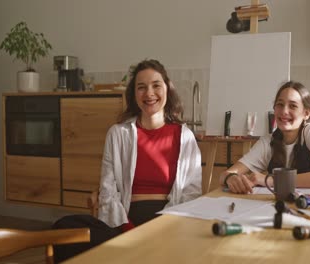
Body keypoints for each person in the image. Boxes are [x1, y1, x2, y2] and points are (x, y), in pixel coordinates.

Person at [53, 59, 202, 262]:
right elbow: (108, 189)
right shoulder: (118, 133)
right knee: (64, 228)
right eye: (141, 87)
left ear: (167, 88)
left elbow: (191, 193)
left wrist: (161, 227)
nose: (149, 93)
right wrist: (128, 229)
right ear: (134, 95)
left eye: (156, 85)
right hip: (123, 221)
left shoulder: (185, 136)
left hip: (168, 223)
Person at [219, 81, 310, 194]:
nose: (284, 111)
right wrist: (231, 178)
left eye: (293, 106)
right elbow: (226, 174)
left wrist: (270, 180)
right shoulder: (268, 141)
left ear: (306, 113)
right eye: (280, 104)